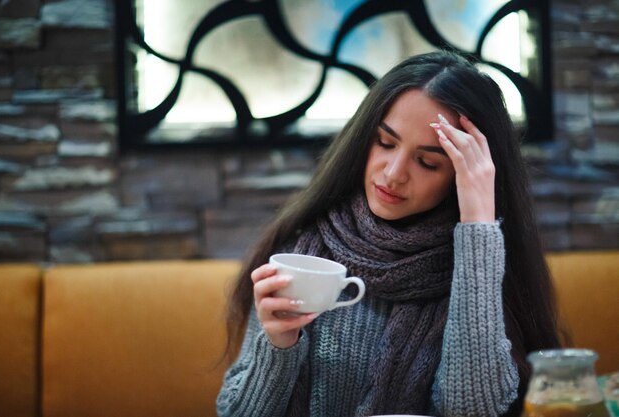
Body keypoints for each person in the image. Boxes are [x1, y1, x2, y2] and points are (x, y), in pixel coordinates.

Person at [216, 50, 562, 417]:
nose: (394, 173)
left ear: (461, 174)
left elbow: (473, 410)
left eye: (428, 162)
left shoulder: (479, 264)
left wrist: (478, 222)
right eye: (385, 142)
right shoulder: (304, 256)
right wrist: (278, 346)